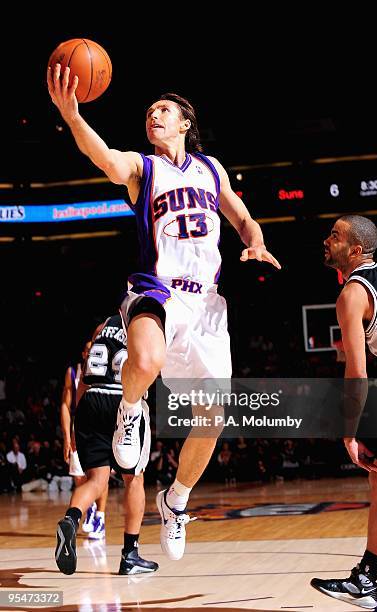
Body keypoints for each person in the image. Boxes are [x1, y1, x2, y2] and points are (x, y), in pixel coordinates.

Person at [47, 66, 281, 560]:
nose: (153, 116)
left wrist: (256, 241)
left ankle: (175, 502)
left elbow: (240, 216)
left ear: (184, 123)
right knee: (147, 360)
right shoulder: (142, 167)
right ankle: (130, 412)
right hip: (158, 289)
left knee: (212, 416)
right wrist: (73, 117)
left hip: (206, 307)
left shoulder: (210, 168)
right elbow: (103, 156)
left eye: (163, 111)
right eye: (150, 112)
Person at [311, 215, 377, 609]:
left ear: (354, 249)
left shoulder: (352, 295)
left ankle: (367, 577)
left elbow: (357, 371)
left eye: (335, 236)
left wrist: (349, 431)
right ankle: (367, 576)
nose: (326, 240)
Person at [55, 314, 157, 576]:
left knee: (96, 481)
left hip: (90, 401)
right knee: (133, 478)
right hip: (122, 401)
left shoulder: (101, 326)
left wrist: (77, 422)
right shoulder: (146, 323)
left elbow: (83, 381)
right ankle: (130, 555)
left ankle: (71, 519)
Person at [60, 341, 109, 537]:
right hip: (78, 427)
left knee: (100, 474)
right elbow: (65, 405)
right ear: (83, 353)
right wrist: (66, 435)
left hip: (100, 426)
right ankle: (87, 509)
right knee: (80, 477)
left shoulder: (104, 371)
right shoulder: (73, 372)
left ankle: (100, 516)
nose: (91, 352)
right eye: (88, 349)